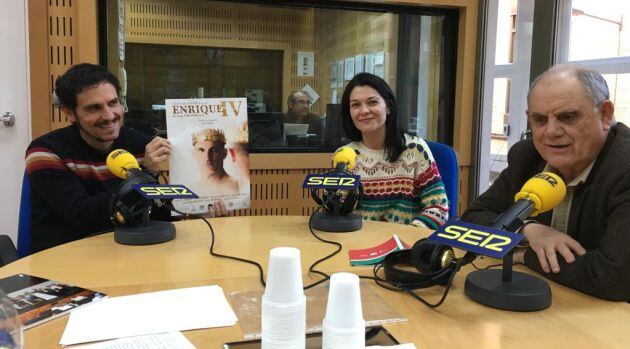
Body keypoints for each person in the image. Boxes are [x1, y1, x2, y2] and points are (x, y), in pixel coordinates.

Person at [461, 65, 630, 301]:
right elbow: (473, 217)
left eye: (568, 117)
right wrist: (528, 229)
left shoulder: (625, 167)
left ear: (605, 115)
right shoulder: (527, 157)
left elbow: (613, 278)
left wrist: (523, 253)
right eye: (540, 120)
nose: (550, 132)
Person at [25, 63, 171, 253]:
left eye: (113, 103)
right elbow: (83, 216)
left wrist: (204, 205)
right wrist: (143, 176)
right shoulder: (44, 152)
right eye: (94, 108)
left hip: (131, 254)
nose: (109, 116)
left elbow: (157, 215)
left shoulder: (143, 146)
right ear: (69, 113)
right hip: (66, 261)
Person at [339, 73, 450, 228]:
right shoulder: (345, 156)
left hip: (404, 246)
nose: (363, 111)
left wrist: (410, 236)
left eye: (372, 102)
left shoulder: (415, 150)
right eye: (355, 105)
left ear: (388, 107)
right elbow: (339, 211)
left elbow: (438, 207)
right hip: (358, 244)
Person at [191, 128, 240, 198]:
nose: (207, 158)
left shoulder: (238, 186)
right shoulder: (191, 190)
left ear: (224, 153)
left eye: (213, 150)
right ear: (194, 154)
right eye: (201, 150)